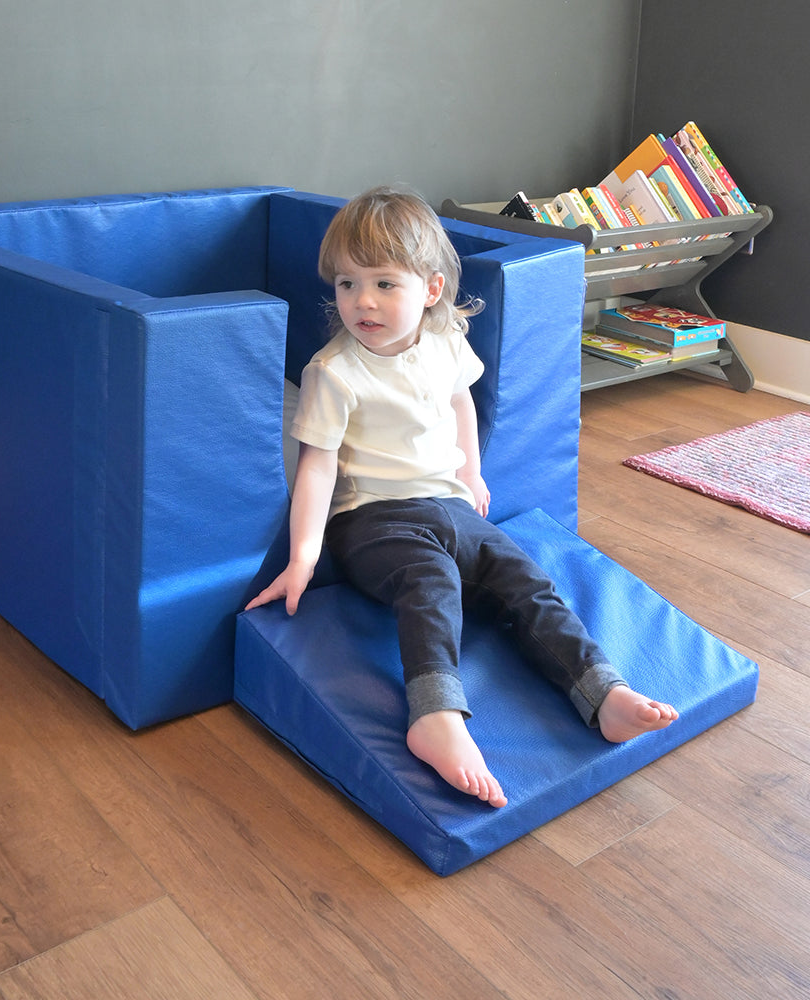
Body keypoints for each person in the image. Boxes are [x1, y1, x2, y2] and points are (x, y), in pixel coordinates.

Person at [245, 186, 677, 807]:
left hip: (448, 504)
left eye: (384, 285)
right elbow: (318, 464)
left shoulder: (445, 341)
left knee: (524, 578)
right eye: (346, 284)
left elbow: (459, 402)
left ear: (431, 288)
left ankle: (600, 691)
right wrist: (304, 556)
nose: (361, 301)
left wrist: (471, 473)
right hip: (371, 518)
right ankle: (434, 716)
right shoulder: (334, 371)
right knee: (431, 582)